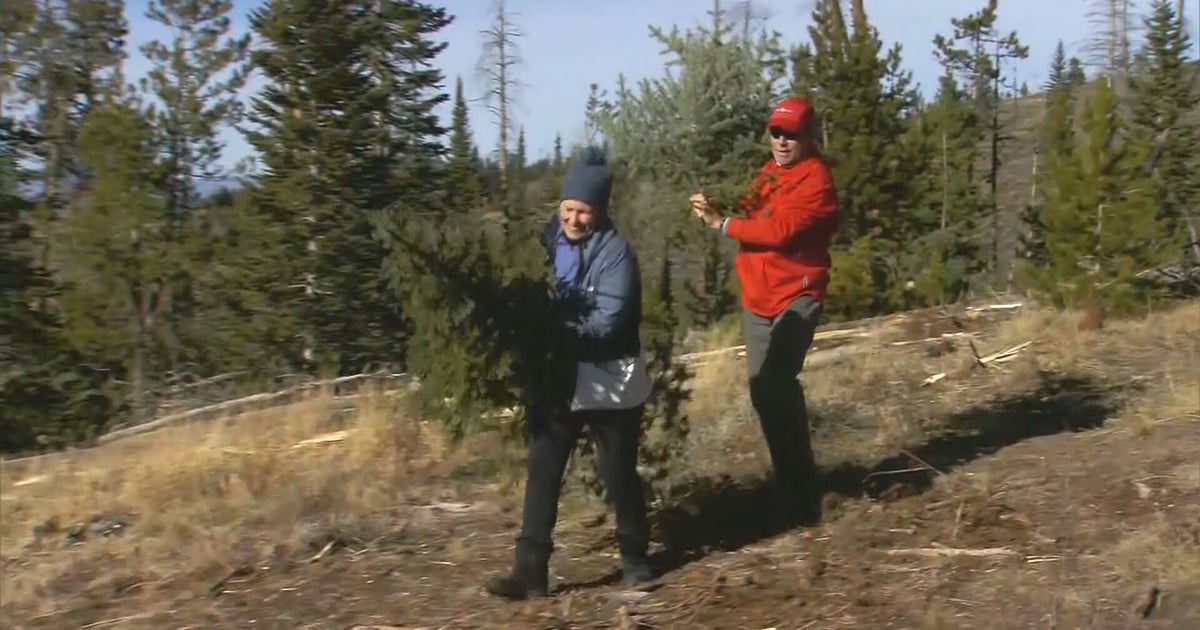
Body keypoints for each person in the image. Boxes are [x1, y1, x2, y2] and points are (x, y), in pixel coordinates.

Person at [485, 146, 656, 601]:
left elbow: (609, 321)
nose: (575, 219)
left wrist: (552, 331)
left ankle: (636, 560)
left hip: (610, 378)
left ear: (599, 212)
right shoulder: (546, 244)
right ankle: (529, 572)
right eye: (568, 208)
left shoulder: (617, 255)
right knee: (543, 468)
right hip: (559, 374)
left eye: (584, 211)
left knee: (617, 471)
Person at [688, 96, 839, 524]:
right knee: (762, 390)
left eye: (791, 134)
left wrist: (721, 224)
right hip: (759, 298)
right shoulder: (769, 173)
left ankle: (801, 490)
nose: (782, 141)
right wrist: (714, 200)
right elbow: (748, 205)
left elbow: (777, 230)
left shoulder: (816, 181)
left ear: (808, 137)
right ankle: (790, 481)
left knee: (777, 381)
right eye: (776, 132)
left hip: (798, 294)